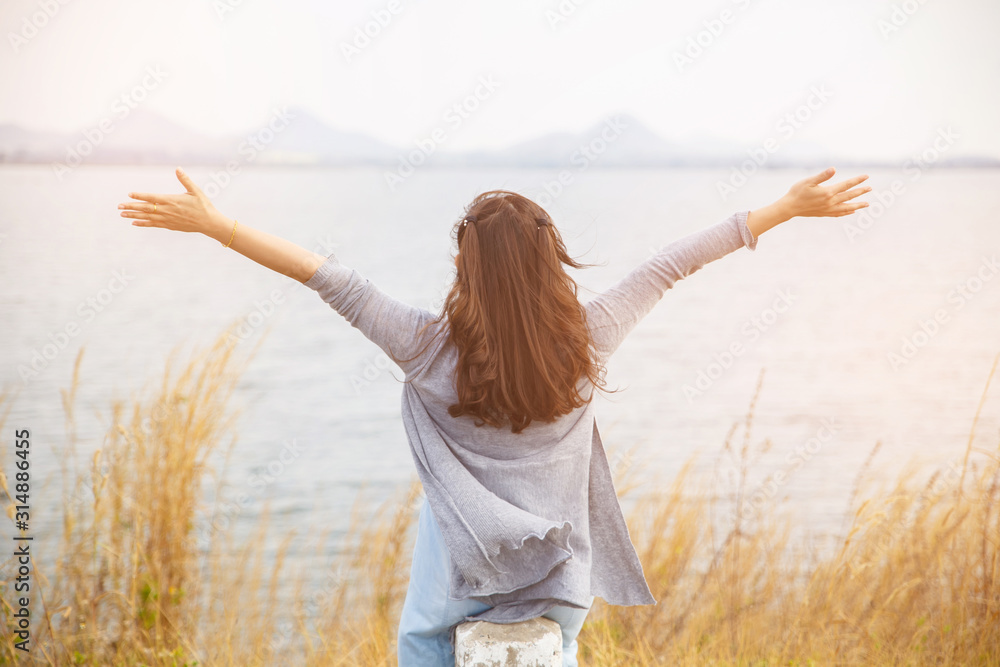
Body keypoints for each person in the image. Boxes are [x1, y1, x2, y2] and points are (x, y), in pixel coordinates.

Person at [118, 167, 869, 666]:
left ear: (463, 268)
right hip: (559, 593)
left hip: (455, 593)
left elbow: (324, 276)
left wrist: (218, 225)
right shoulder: (589, 339)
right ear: (554, 264)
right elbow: (670, 264)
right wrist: (786, 209)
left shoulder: (423, 345)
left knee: (423, 617)